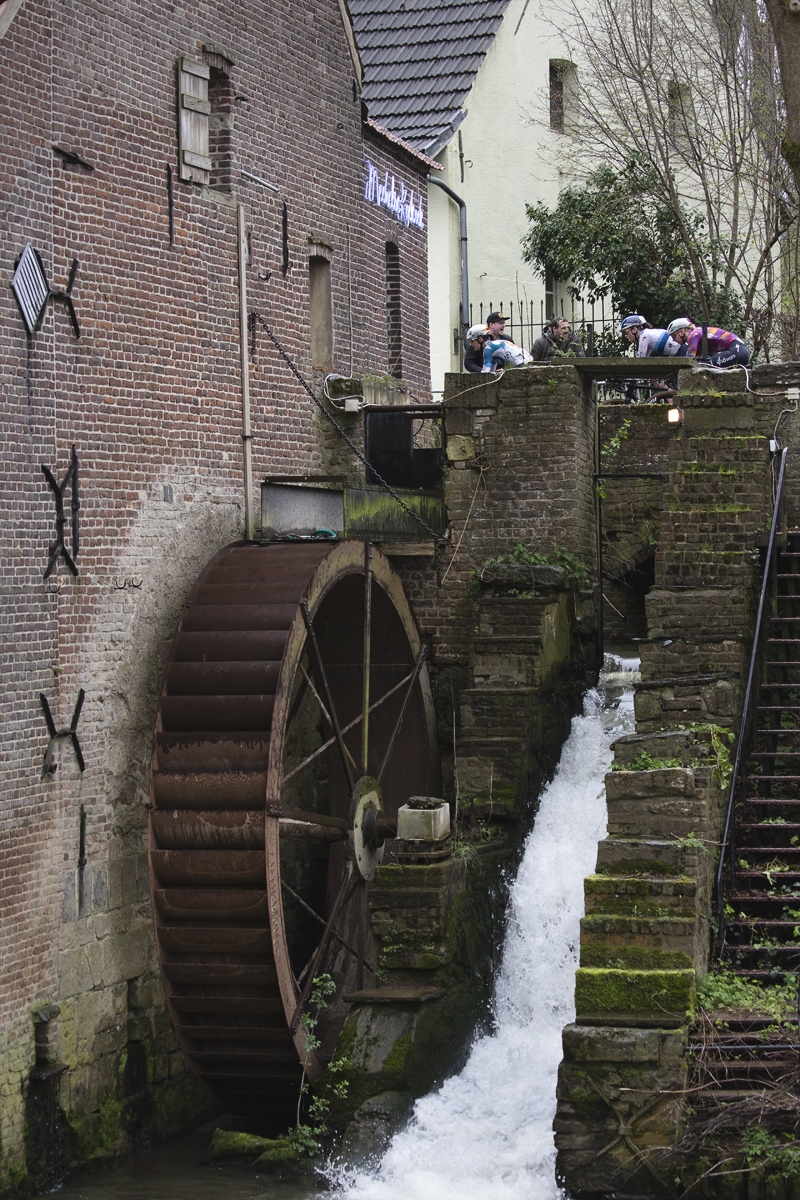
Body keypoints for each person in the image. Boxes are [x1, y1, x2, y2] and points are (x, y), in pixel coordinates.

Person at [666, 317, 750, 367]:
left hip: (737, 350)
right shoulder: (697, 336)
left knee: (709, 364)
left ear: (682, 332)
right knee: (705, 363)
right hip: (739, 351)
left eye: (674, 336)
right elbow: (697, 359)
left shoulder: (693, 335)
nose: (673, 340)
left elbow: (689, 360)